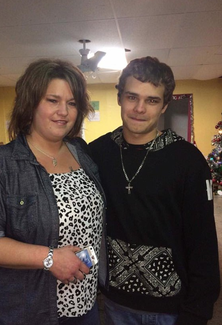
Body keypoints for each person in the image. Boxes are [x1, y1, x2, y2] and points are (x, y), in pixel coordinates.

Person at [0, 58, 106, 325]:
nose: (64, 112)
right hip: (31, 310)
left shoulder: (81, 152)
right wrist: (49, 258)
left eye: (71, 103)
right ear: (30, 104)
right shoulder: (1, 164)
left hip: (86, 303)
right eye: (52, 100)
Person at [88, 56, 220, 325]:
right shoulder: (97, 153)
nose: (139, 108)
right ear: (119, 98)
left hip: (170, 308)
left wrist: (197, 311)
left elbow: (203, 242)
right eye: (132, 97)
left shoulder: (188, 160)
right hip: (114, 302)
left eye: (152, 100)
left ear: (164, 106)